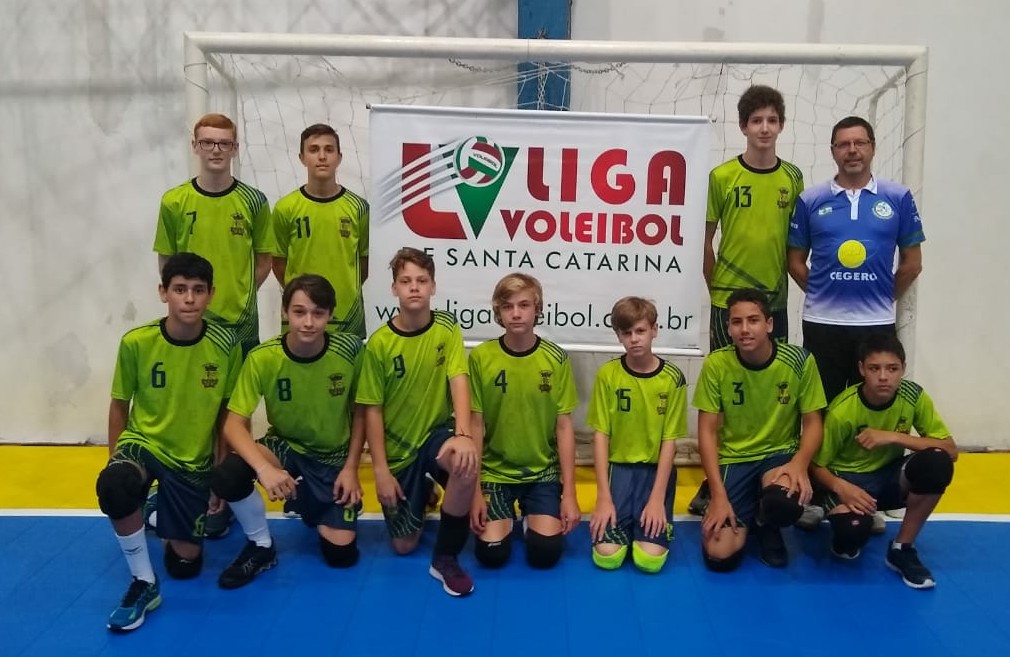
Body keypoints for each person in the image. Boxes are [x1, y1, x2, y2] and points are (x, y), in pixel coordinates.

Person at [96, 253, 241, 631]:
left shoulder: (227, 346)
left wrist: (218, 474)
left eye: (197, 290)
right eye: (179, 289)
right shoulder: (136, 342)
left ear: (211, 294)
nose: (188, 299)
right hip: (143, 444)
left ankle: (157, 508)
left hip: (190, 461)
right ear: (164, 293)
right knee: (117, 486)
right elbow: (118, 406)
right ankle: (144, 582)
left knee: (186, 566)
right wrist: (115, 462)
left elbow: (227, 415)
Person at [152, 113, 274, 537]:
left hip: (238, 327)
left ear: (235, 148)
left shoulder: (256, 202)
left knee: (230, 413)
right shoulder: (174, 202)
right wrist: (191, 306)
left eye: (224, 143)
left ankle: (220, 493)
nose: (216, 149)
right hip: (190, 326)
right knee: (190, 406)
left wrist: (236, 298)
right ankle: (185, 484)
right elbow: (168, 264)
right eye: (208, 142)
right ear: (196, 146)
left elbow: (263, 262)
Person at [209, 274, 366, 589]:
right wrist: (264, 468)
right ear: (284, 312)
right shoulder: (263, 358)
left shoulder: (350, 351)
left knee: (341, 556)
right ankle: (261, 546)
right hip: (285, 446)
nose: (308, 322)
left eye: (318, 313)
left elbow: (361, 410)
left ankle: (307, 498)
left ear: (331, 315)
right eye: (299, 312)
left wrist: (352, 468)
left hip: (333, 456)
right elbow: (232, 423)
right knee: (228, 474)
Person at [692, 85, 804, 516]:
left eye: (771, 120)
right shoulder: (722, 177)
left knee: (774, 390)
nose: (764, 128)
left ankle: (778, 474)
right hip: (729, 304)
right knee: (726, 395)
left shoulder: (792, 177)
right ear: (743, 126)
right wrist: (715, 289)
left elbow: (796, 244)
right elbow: (703, 241)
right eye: (756, 120)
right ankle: (714, 481)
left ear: (781, 125)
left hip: (774, 303)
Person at [355, 247, 479, 596]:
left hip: (436, 435)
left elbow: (458, 379)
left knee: (466, 463)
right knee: (404, 545)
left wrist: (464, 434)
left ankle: (445, 558)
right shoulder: (379, 344)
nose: (414, 288)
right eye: (405, 281)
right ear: (394, 289)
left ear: (433, 287)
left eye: (421, 281)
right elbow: (372, 410)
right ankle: (422, 491)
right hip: (398, 450)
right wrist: (380, 470)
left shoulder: (446, 326)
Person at [787, 115, 925, 403]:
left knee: (872, 406)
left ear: (872, 148)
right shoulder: (810, 199)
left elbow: (912, 264)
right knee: (821, 408)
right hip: (822, 324)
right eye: (843, 144)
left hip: (875, 323)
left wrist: (884, 296)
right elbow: (795, 261)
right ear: (833, 151)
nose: (852, 150)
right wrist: (824, 291)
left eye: (859, 142)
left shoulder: (898, 197)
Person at [693, 288, 827, 571]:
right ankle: (749, 508)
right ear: (728, 327)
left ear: (769, 324)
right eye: (736, 322)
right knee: (719, 554)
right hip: (735, 458)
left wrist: (801, 464)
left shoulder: (800, 361)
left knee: (784, 504)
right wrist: (717, 495)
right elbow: (706, 432)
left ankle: (767, 523)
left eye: (753, 320)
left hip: (779, 457)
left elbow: (814, 423)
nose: (745, 329)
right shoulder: (717, 364)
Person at [811, 333, 956, 589]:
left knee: (937, 462)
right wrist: (842, 488)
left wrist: (893, 437)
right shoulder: (843, 409)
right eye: (874, 368)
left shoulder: (913, 396)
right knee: (852, 534)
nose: (883, 377)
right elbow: (816, 465)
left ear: (903, 369)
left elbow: (950, 449)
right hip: (848, 482)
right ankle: (844, 527)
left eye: (892, 369)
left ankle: (902, 547)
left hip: (888, 478)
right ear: (861, 370)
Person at [467, 273, 580, 570]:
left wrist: (569, 493)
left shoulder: (556, 359)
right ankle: (506, 518)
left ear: (537, 309)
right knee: (491, 555)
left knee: (545, 555)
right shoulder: (481, 357)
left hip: (541, 473)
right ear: (498, 312)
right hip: (495, 473)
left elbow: (564, 426)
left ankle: (534, 518)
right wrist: (474, 490)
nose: (516, 313)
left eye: (524, 305)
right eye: (508, 306)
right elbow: (475, 425)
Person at [587, 297, 687, 573]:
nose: (634, 339)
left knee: (648, 561)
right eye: (627, 333)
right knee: (608, 557)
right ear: (618, 335)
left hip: (656, 472)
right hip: (618, 470)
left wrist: (656, 500)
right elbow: (600, 436)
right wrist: (603, 498)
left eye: (640, 331)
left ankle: (647, 524)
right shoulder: (608, 375)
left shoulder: (673, 378)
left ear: (654, 330)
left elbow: (670, 442)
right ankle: (624, 522)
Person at [272, 123, 370, 338]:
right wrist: (302, 297)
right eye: (314, 150)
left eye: (329, 149)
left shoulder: (359, 208)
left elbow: (364, 263)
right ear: (302, 157)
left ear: (339, 157)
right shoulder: (285, 208)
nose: (322, 156)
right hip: (300, 318)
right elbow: (278, 263)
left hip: (347, 318)